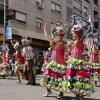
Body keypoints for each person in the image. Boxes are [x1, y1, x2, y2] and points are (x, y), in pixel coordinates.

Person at [66, 15, 94, 100]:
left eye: (74, 33)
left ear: (78, 34)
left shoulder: (82, 41)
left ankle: (82, 97)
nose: (73, 35)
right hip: (73, 62)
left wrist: (90, 23)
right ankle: (77, 95)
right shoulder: (72, 42)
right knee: (74, 79)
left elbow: (90, 32)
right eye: (72, 33)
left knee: (81, 79)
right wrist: (69, 55)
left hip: (80, 62)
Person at [40, 22, 68, 99]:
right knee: (47, 76)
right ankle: (48, 90)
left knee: (60, 78)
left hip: (61, 62)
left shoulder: (64, 43)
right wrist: (45, 29)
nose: (58, 36)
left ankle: (61, 93)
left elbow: (68, 51)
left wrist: (67, 53)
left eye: (59, 35)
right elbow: (47, 36)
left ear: (62, 36)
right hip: (52, 62)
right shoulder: (53, 42)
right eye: (57, 35)